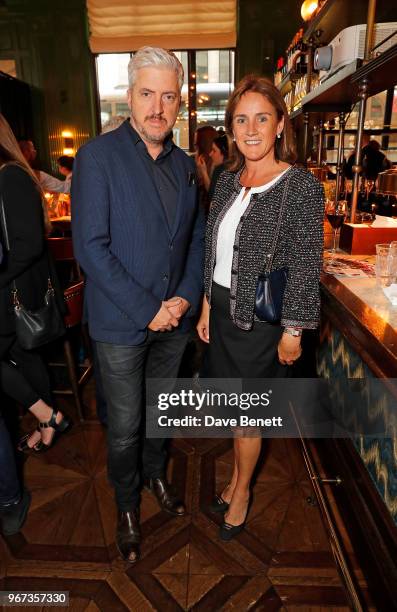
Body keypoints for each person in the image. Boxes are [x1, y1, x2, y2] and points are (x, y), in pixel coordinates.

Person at [72, 46, 204, 564]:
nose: (158, 107)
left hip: (175, 320)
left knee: (160, 413)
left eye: (168, 96)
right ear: (129, 97)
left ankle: (156, 477)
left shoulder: (187, 165)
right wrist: (150, 308)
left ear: (180, 103)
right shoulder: (97, 157)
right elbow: (91, 248)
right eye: (147, 94)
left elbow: (193, 241)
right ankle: (127, 504)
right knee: (124, 426)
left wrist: (186, 298)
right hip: (121, 323)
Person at [196, 75, 324, 541]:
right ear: (231, 128)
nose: (251, 129)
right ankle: (233, 481)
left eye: (261, 118)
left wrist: (295, 330)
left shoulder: (301, 188)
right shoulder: (228, 182)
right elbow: (213, 252)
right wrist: (208, 306)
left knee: (248, 415)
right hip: (225, 312)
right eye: (241, 120)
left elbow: (307, 263)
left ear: (280, 124)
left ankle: (243, 492)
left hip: (262, 322)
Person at [0, 114, 70, 453]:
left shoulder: (11, 175)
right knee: (25, 356)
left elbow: (27, 244)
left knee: (26, 353)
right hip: (13, 288)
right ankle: (47, 420)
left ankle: (48, 415)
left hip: (16, 289)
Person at [196, 133, 230, 202]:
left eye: (214, 151)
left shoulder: (220, 170)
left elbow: (213, 195)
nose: (210, 154)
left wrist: (204, 172)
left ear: (224, 153)